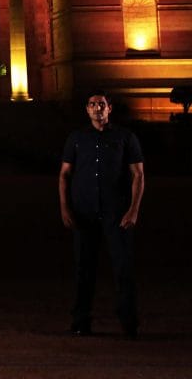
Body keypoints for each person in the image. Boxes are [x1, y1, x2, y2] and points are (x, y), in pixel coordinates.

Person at [58, 90, 144, 338]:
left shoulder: (125, 137)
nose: (98, 108)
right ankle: (80, 321)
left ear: (109, 108)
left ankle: (129, 323)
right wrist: (65, 207)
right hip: (84, 212)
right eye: (93, 104)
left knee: (123, 268)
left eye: (102, 104)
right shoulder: (76, 139)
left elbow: (138, 175)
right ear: (87, 109)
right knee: (84, 268)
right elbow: (64, 175)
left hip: (116, 212)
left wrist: (133, 210)